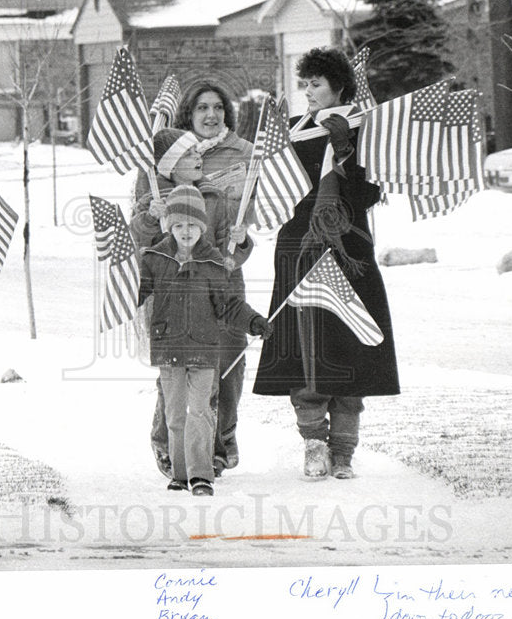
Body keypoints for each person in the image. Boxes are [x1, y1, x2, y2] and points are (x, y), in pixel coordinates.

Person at [252, 47, 400, 480]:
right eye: (306, 83)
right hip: (298, 249)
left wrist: (346, 151)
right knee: (304, 351)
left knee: (350, 348)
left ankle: (344, 453)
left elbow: (372, 192)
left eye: (317, 83)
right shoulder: (295, 131)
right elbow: (274, 188)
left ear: (339, 87)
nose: (309, 91)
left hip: (349, 252)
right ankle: (314, 443)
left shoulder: (361, 131)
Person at [136, 83, 254, 476]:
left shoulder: (237, 160)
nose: (211, 114)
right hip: (173, 292)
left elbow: (232, 237)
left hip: (220, 286)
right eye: (202, 107)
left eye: (219, 106)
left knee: (224, 368)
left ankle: (215, 446)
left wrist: (239, 247)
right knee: (175, 373)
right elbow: (140, 236)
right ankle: (170, 446)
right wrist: (152, 215)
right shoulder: (157, 181)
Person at [138, 184, 272, 496]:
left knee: (199, 412)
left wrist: (253, 321)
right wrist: (122, 292)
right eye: (179, 225)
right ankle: (179, 473)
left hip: (203, 350)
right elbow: (137, 290)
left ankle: (201, 475)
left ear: (202, 227)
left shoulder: (213, 264)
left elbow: (230, 305)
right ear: (170, 226)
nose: (186, 232)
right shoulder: (156, 259)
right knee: (174, 416)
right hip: (169, 348)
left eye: (193, 225)